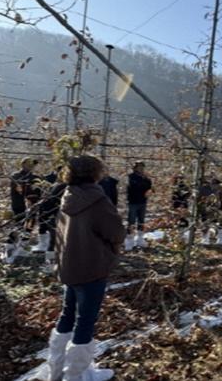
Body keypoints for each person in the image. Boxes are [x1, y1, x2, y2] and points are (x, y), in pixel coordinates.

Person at [40, 155, 125, 381]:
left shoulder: (67, 195)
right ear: (95, 173)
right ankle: (76, 375)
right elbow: (116, 232)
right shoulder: (97, 200)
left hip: (69, 267)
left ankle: (56, 370)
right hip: (91, 267)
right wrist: (112, 249)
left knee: (67, 315)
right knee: (85, 320)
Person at [37, 170, 68, 270]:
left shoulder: (55, 186)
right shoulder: (64, 187)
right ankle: (52, 266)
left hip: (55, 218)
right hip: (59, 218)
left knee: (53, 242)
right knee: (56, 242)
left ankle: (50, 266)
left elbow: (46, 203)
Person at [124, 161, 152, 251]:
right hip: (133, 202)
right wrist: (144, 184)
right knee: (131, 221)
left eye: (142, 167)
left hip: (142, 201)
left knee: (141, 220)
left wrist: (147, 185)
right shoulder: (130, 177)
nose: (141, 169)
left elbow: (149, 186)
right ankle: (129, 240)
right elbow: (135, 186)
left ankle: (140, 239)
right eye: (139, 167)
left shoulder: (145, 177)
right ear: (135, 168)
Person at [197, 173, 222, 245]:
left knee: (219, 223)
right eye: (216, 185)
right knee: (205, 223)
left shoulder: (219, 190)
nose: (217, 186)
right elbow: (199, 199)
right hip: (205, 209)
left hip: (216, 209)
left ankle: (220, 238)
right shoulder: (203, 189)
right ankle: (205, 239)